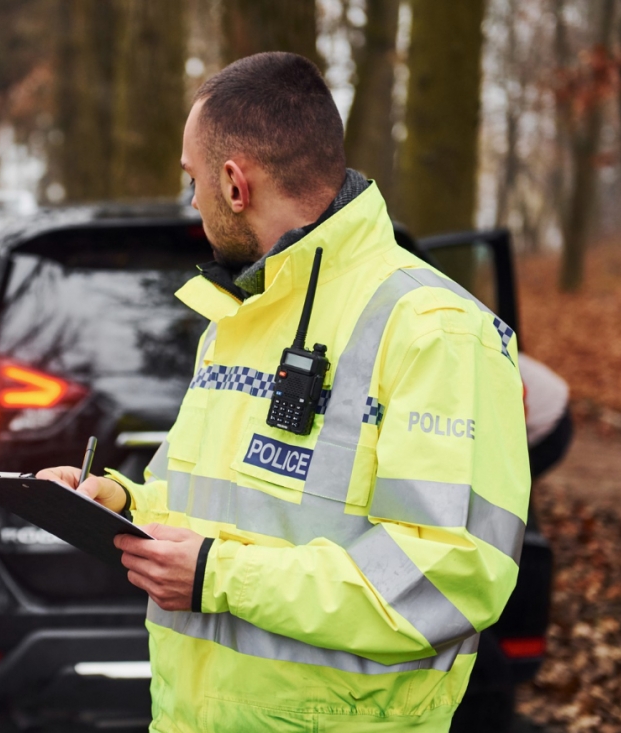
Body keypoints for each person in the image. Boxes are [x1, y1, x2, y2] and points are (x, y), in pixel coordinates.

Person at [37, 52, 529, 732]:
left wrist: (216, 575)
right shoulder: (238, 317)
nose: (192, 202)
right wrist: (118, 499)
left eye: (193, 180)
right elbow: (220, 510)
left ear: (235, 183)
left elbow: (446, 577)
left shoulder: (438, 332)